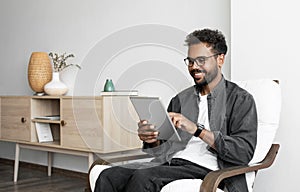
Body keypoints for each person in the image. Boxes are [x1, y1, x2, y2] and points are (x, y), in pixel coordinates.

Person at [94, 28, 257, 192]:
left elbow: (243, 153)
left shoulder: (241, 99)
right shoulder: (181, 99)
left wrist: (196, 129)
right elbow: (161, 151)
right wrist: (152, 140)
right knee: (108, 175)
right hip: (172, 164)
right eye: (190, 61)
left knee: (144, 179)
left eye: (201, 60)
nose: (194, 67)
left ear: (220, 59)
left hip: (208, 169)